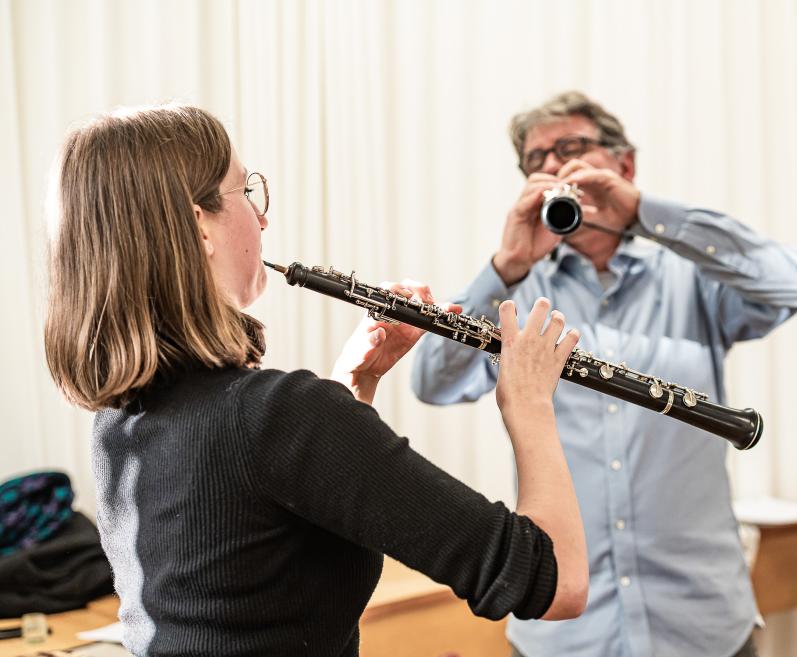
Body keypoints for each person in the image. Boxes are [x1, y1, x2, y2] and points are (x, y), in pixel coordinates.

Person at [43, 104, 589, 657]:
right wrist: (529, 402)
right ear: (199, 225)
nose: (262, 220)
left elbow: (256, 564)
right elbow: (556, 582)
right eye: (246, 192)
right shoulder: (278, 416)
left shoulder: (117, 422)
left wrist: (353, 387)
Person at [411, 91, 797, 657]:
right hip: (565, 636)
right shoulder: (515, 292)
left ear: (624, 165)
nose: (553, 165)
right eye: (536, 159)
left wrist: (643, 213)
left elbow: (792, 284)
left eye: (571, 147)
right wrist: (506, 266)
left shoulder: (691, 275)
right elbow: (434, 381)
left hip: (703, 627)